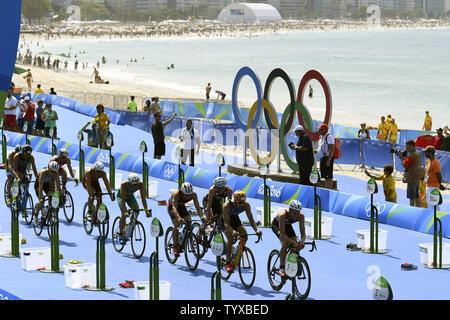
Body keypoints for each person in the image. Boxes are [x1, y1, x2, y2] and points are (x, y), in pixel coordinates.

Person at [222, 190, 262, 272]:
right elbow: (226, 223)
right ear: (235, 201)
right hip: (225, 222)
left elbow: (251, 219)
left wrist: (256, 230)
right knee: (230, 239)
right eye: (239, 203)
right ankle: (228, 262)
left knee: (245, 235)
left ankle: (236, 252)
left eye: (243, 202)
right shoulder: (227, 205)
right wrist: (232, 231)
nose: (241, 205)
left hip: (235, 219)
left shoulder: (246, 205)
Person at [167, 182, 205, 256]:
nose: (188, 197)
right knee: (176, 224)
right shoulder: (176, 194)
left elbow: (197, 207)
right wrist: (178, 218)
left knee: (189, 222)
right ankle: (175, 246)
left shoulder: (194, 194)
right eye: (186, 195)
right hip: (172, 206)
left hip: (181, 206)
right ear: (182, 192)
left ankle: (183, 237)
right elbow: (174, 208)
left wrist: (201, 217)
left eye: (189, 195)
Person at [271, 200, 305, 277]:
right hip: (277, 225)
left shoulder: (301, 216)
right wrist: (293, 242)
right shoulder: (283, 214)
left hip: (288, 225)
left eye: (298, 212)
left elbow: (303, 233)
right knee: (285, 243)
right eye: (294, 213)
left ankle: (290, 264)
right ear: (290, 210)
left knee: (295, 242)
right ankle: (281, 267)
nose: (296, 215)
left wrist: (302, 241)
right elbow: (283, 235)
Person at [117, 173, 151, 245]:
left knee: (136, 210)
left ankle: (129, 226)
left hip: (130, 197)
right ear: (129, 182)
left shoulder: (140, 184)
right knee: (124, 214)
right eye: (134, 185)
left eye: (137, 184)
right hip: (121, 197)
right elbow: (123, 200)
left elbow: (143, 198)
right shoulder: (124, 185)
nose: (136, 186)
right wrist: (125, 211)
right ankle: (120, 234)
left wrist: (146, 211)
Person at [32, 161, 63, 226]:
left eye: (54, 172)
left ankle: (46, 214)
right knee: (42, 201)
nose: (53, 173)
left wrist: (61, 195)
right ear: (48, 169)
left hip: (47, 185)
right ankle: (35, 215)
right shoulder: (43, 172)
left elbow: (58, 186)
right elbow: (40, 185)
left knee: (52, 196)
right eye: (51, 171)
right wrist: (41, 196)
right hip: (39, 185)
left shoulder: (56, 173)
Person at [399, 140, 421, 207]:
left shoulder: (411, 156)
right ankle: (418, 208)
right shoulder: (418, 153)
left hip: (412, 177)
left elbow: (404, 165)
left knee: (411, 197)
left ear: (412, 146)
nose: (406, 149)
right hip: (417, 176)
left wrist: (400, 158)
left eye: (407, 147)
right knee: (417, 195)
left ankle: (411, 209)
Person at [424, 146, 445, 211]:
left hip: (433, 187)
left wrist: (440, 184)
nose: (425, 153)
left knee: (434, 205)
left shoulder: (436, 162)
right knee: (430, 205)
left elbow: (438, 174)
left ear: (430, 153)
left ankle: (437, 218)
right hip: (429, 186)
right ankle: (433, 218)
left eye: (426, 152)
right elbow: (428, 173)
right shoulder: (428, 161)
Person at [317, 123, 335, 190]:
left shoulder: (329, 137)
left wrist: (329, 160)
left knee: (329, 176)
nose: (319, 131)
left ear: (324, 130)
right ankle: (326, 189)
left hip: (327, 158)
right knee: (324, 175)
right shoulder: (322, 137)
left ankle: (329, 189)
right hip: (323, 158)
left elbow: (332, 149)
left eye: (320, 130)